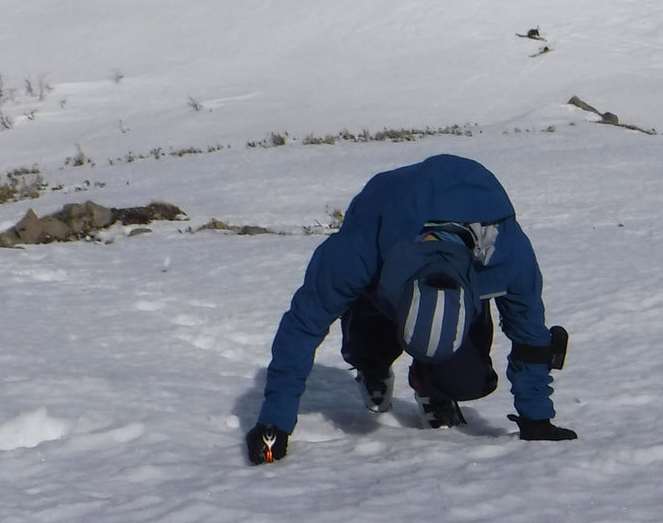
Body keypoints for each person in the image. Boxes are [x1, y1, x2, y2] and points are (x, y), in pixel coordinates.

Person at [245, 154, 577, 464]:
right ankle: (372, 364)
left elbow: (530, 337)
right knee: (367, 345)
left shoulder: (508, 256)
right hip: (386, 241)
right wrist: (275, 423)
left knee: (471, 382)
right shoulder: (358, 249)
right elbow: (303, 325)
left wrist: (537, 419)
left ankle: (428, 382)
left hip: (459, 275)